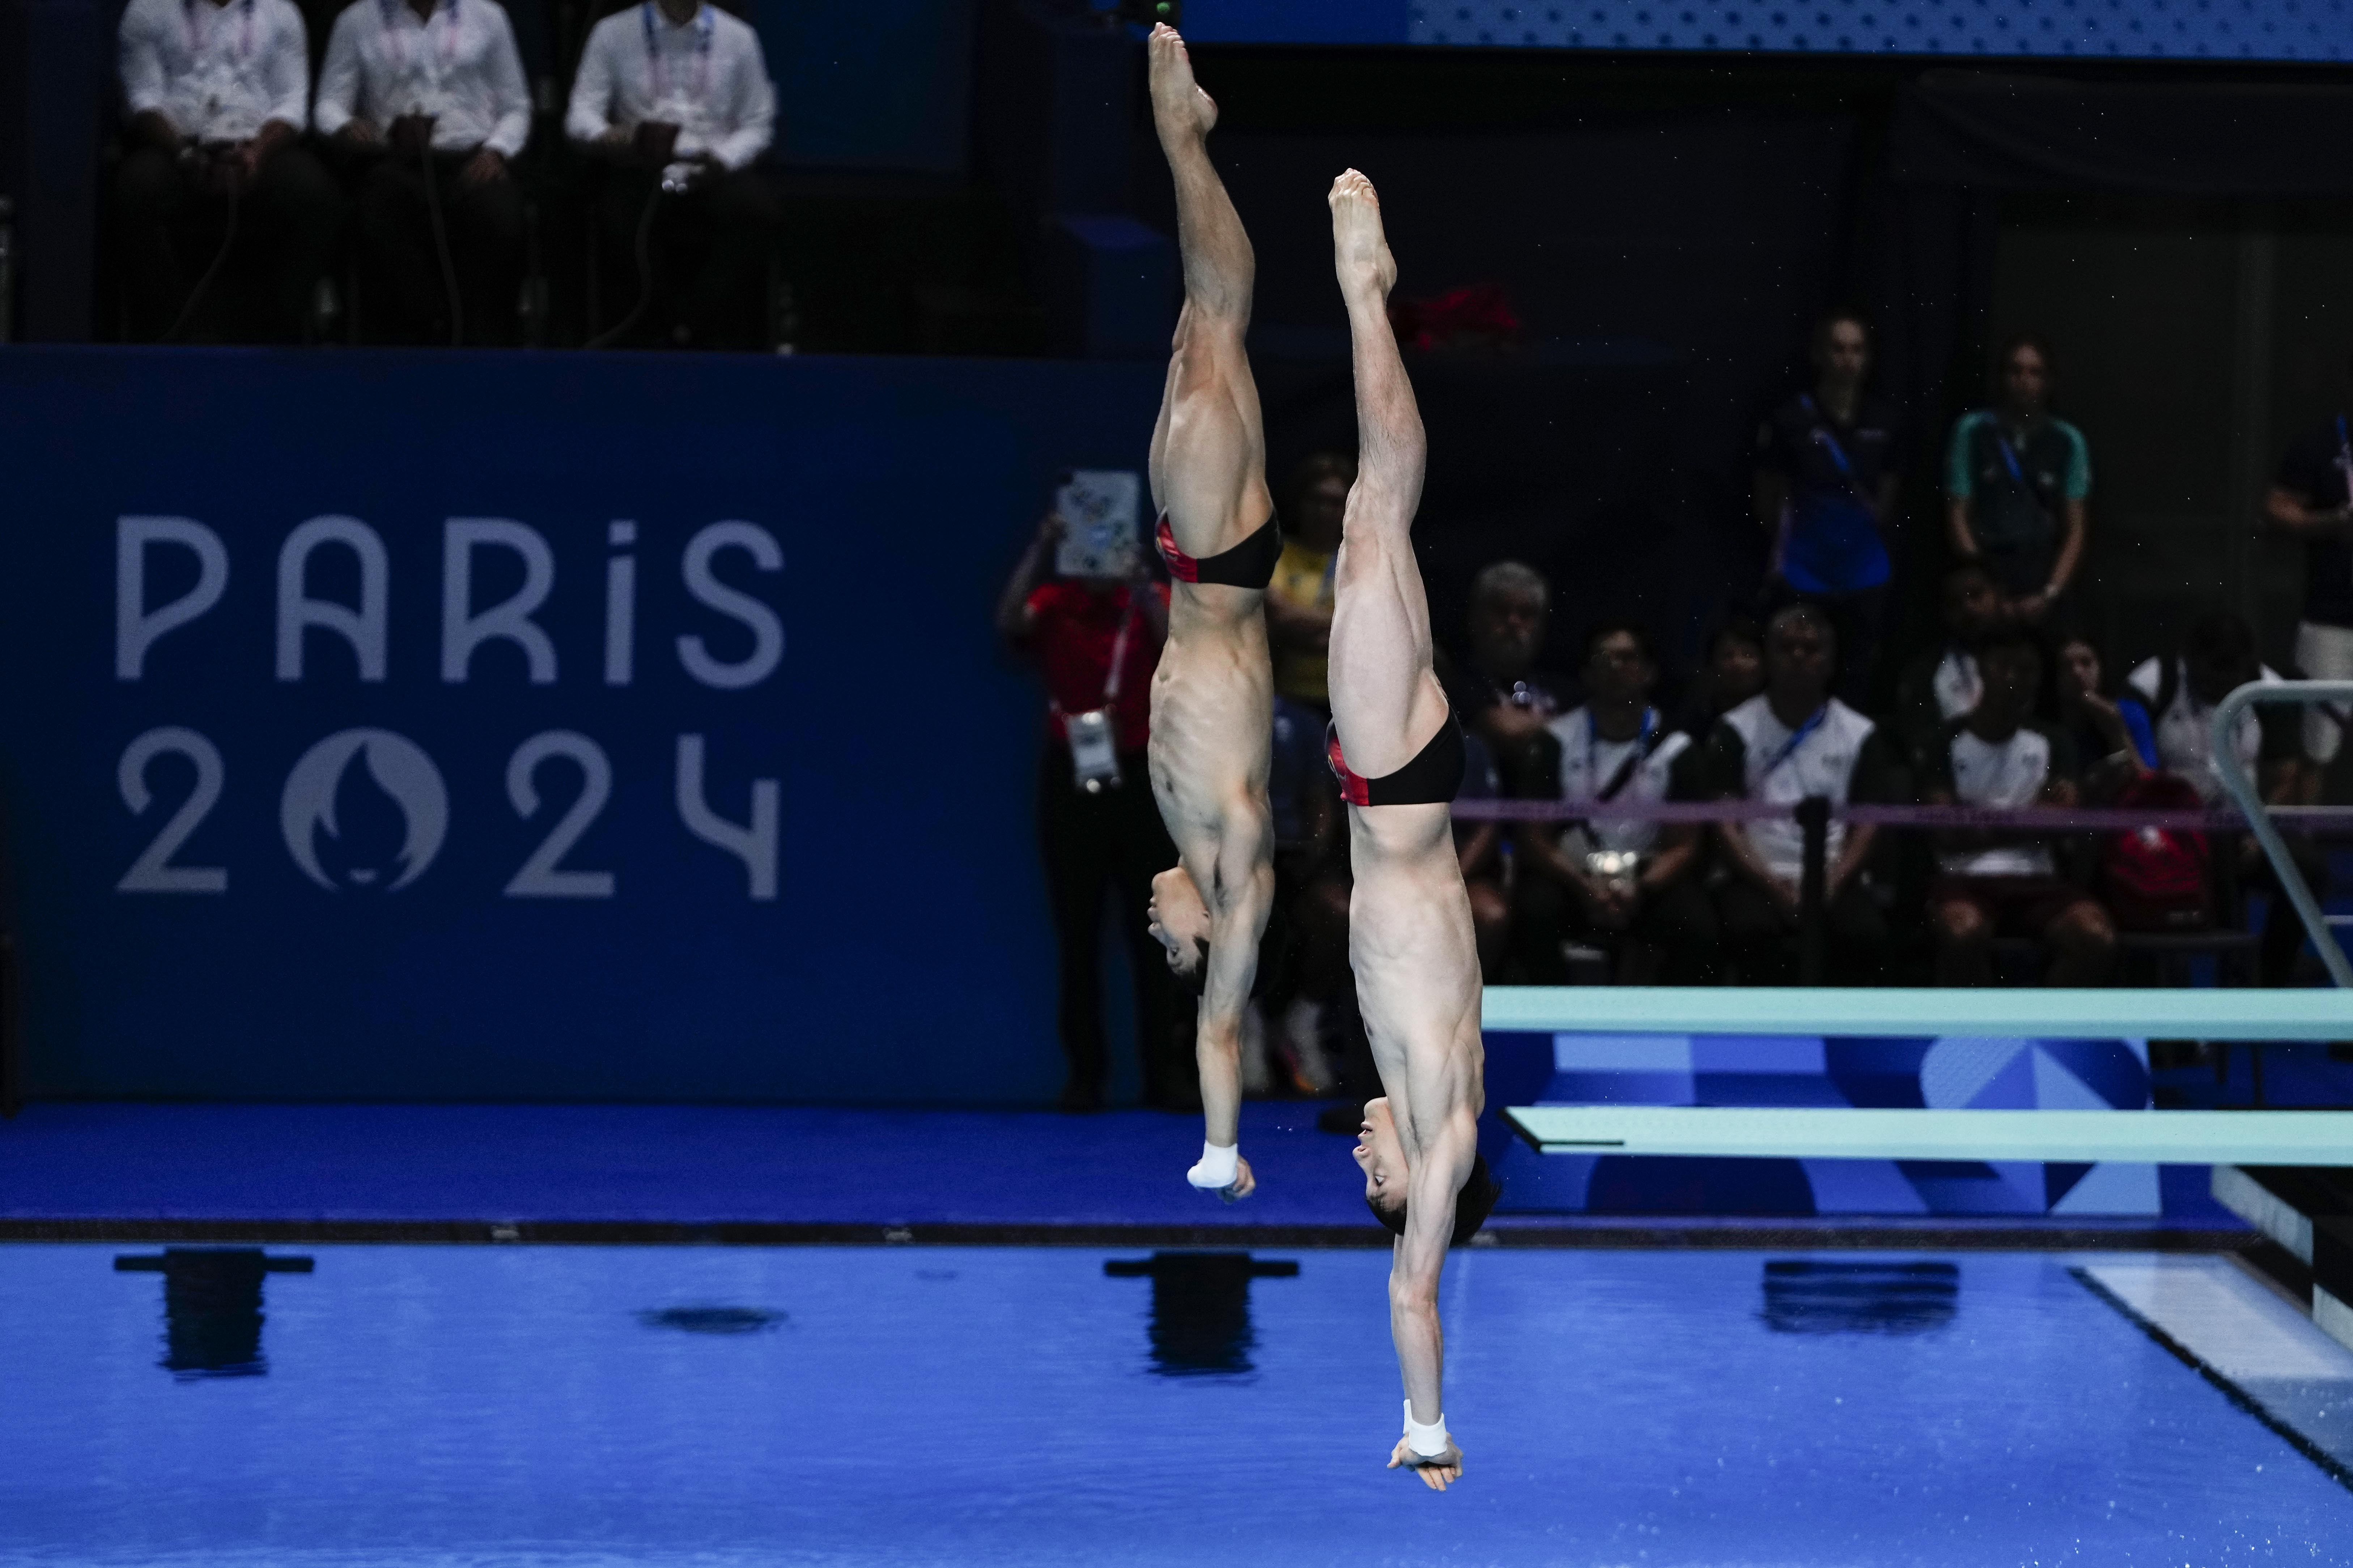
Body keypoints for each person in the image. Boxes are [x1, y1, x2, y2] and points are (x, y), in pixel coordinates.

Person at [1323, 167, 1496, 1492]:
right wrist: (1425, 1425)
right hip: (1391, 779)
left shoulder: (1446, 1101)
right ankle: (1366, 295)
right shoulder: (1443, 1145)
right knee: (1376, 507)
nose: (1360, 1147)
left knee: (1382, 514)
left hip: (1408, 787)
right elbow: (1416, 1297)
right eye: (1364, 1171)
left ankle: (1372, 302)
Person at [1133, 26, 1278, 1202]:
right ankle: (1185, 134)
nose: (1155, 928)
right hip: (1221, 576)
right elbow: (1220, 1030)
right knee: (1215, 325)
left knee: (1193, 336)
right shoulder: (1230, 860)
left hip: (1193, 570)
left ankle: (1186, 141)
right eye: (1164, 945)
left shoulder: (1177, 831)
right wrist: (1221, 1153)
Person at [997, 512, 1186, 1113]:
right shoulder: (1057, 598)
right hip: (1072, 772)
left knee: (1156, 933)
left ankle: (1167, 1075)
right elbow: (1009, 622)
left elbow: (1180, 646)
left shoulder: (1148, 598)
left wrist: (1139, 582)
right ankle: (1086, 1076)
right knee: (1077, 935)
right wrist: (1043, 545)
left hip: (1141, 776)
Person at [113, 0, 342, 342]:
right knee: (134, 188)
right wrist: (186, 155)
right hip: (178, 147)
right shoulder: (147, 9)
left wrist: (257, 154)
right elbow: (143, 99)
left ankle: (282, 331)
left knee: (318, 196)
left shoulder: (281, 12)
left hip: (257, 145)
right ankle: (166, 331)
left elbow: (292, 102)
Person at [1696, 602, 1899, 985]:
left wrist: (1831, 883)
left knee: (1866, 936)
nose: (1798, 657)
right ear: (1769, 659)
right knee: (1751, 931)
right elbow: (1725, 824)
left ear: (1829, 662)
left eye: (1811, 649)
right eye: (1786, 648)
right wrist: (1772, 886)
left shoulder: (1861, 734)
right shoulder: (1733, 730)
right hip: (1753, 875)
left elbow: (1867, 826)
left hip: (1832, 876)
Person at [565, 0, 779, 349]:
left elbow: (758, 123)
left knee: (756, 214)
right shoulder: (612, 32)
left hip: (711, 165)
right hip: (642, 164)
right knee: (618, 217)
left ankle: (703, 328)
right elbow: (581, 116)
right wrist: (613, 136)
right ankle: (646, 334)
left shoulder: (738, 37)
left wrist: (723, 160)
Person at [315, 0, 531, 345]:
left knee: (500, 215)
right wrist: (346, 125)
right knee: (378, 204)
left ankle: (482, 335)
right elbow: (328, 103)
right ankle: (427, 324)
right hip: (395, 157)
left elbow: (516, 106)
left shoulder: (487, 15)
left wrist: (498, 150)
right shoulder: (356, 20)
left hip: (471, 154)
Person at [1512, 622, 1716, 984]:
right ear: (1588, 674)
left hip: (1647, 878)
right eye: (1604, 659)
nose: (1616, 668)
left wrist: (1640, 887)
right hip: (1572, 874)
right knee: (1533, 909)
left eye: (1627, 658)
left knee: (1697, 924)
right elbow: (1534, 838)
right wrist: (1582, 884)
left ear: (1649, 672)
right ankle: (1557, 1018)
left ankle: (1666, 1023)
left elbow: (1685, 845)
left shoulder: (1677, 748)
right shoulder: (1554, 741)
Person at [2127, 613, 2323, 985]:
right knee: (2221, 871)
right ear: (2190, 658)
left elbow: (2285, 775)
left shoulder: (2268, 689)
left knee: (2309, 867)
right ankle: (2199, 991)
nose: (2224, 678)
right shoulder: (2155, 682)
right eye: (2214, 668)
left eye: (2234, 668)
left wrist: (2259, 832)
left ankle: (2270, 974)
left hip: (2244, 831)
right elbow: (2132, 758)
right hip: (2171, 834)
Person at [1920, 632, 2116, 987]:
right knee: (1962, 934)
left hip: (2037, 879)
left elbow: (2062, 822)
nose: (2013, 679)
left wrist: (1977, 821)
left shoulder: (2054, 741)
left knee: (2094, 936)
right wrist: (2030, 816)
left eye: (2026, 670)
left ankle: (2042, 1029)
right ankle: (1985, 1034)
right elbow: (1946, 832)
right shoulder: (1944, 741)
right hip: (1963, 880)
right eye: (2003, 667)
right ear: (1982, 668)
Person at [1753, 311, 1904, 705]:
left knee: (1857, 682)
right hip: (1805, 573)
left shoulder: (1885, 421)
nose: (1847, 359)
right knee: (1797, 677)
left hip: (1864, 573)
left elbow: (1886, 500)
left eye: (1856, 349)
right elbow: (1769, 500)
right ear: (1818, 354)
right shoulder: (1788, 420)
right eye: (1838, 349)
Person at [1944, 334, 2092, 624]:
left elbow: (2076, 529)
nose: (2024, 381)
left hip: (2041, 569)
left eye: (2034, 372)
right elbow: (1957, 514)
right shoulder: (1972, 431)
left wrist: (2051, 592)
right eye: (2015, 371)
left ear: (2048, 381)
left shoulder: (2068, 440)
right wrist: (1984, 588)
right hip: (1986, 565)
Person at [2263, 384, 2353, 769]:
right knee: (2318, 749)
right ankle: (2305, 831)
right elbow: (2277, 507)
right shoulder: (2321, 444)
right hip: (2331, 619)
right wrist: (2332, 522)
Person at [1441, 561, 1562, 796]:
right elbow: (1507, 732)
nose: (1513, 623)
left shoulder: (1563, 689)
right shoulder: (1455, 683)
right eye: (1501, 611)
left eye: (1525, 614)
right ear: (1474, 617)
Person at [1889, 561, 2011, 765]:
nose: (1968, 608)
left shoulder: (2033, 657)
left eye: (1976, 595)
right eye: (1955, 603)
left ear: (1999, 595)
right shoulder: (1927, 672)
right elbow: (1922, 743)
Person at [1265, 451, 1355, 716]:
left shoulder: (1365, 560)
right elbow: (1280, 615)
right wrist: (1346, 628)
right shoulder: (1278, 553)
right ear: (1300, 502)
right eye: (1316, 499)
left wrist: (1300, 631)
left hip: (1351, 701)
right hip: (1288, 698)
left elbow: (1375, 625)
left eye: (1335, 502)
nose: (1324, 511)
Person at [2053, 631, 2157, 804]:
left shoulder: (2130, 712)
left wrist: (2116, 729)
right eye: (2066, 666)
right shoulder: (2052, 725)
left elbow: (2149, 786)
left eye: (2086, 663)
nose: (2077, 673)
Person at [1675, 616, 1766, 738]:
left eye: (1748, 655)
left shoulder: (1779, 719)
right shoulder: (1696, 725)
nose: (1737, 664)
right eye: (1728, 656)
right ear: (1712, 665)